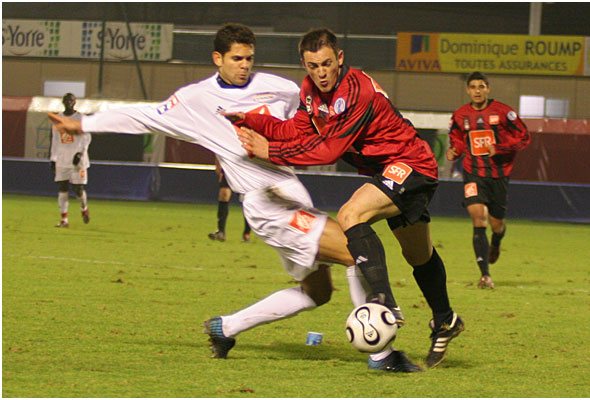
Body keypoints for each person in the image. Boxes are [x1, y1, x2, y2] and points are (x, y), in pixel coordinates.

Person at [48, 23, 421, 373]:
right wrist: (84, 123)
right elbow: (143, 116)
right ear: (218, 58)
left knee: (317, 292)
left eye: (249, 58)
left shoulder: (280, 88)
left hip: (292, 197)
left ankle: (225, 327)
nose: (244, 65)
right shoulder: (195, 100)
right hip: (268, 206)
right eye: (236, 58)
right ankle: (381, 354)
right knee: (354, 248)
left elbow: (312, 119)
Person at [230, 27, 464, 369]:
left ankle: (383, 303)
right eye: (313, 66)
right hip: (388, 171)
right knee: (418, 255)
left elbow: (329, 150)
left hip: (411, 164)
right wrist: (253, 121)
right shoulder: (310, 91)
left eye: (327, 64)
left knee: (350, 214)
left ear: (339, 58)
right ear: (305, 65)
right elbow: (296, 130)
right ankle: (445, 319)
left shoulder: (358, 91)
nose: (321, 73)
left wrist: (272, 152)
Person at [446, 71, 531, 289]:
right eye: (473, 87)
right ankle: (485, 275)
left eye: (481, 87)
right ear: (468, 90)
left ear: (488, 89)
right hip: (473, 173)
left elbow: (524, 137)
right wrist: (455, 150)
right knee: (478, 217)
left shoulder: (504, 112)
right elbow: (457, 138)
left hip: (498, 175)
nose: (477, 91)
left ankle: (496, 242)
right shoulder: (460, 115)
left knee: (497, 225)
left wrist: (500, 148)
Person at [49, 93, 91, 227]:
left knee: (78, 189)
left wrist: (80, 153)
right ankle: (64, 220)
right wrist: (53, 158)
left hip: (78, 161)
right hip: (62, 159)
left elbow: (87, 137)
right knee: (62, 187)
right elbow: (55, 139)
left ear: (74, 102)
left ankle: (84, 208)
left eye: (71, 100)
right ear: (63, 102)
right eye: (66, 100)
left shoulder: (80, 118)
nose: (69, 102)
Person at [208, 158, 252, 242]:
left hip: (244, 171)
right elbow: (218, 152)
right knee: (224, 194)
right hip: (228, 169)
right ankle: (221, 231)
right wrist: (218, 166)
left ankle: (246, 233)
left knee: (246, 201)